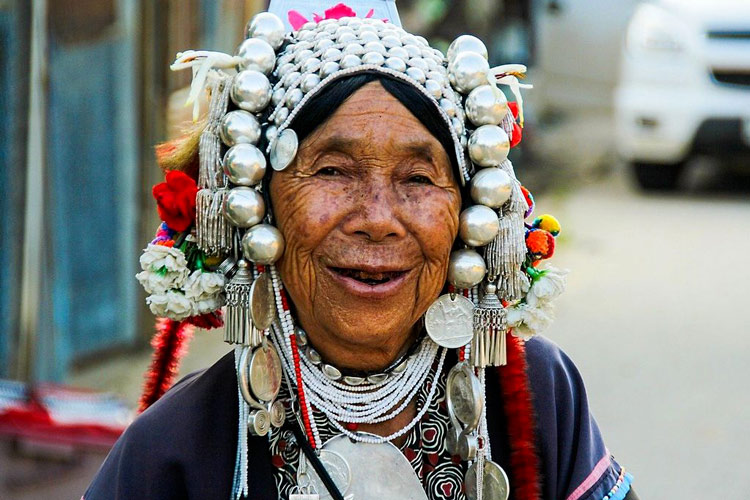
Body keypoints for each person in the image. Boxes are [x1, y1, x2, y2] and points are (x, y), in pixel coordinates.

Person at [85, 5, 638, 500]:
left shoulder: (537, 396)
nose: (378, 218)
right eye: (331, 171)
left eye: (419, 178)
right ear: (258, 203)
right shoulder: (178, 449)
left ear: (468, 216)